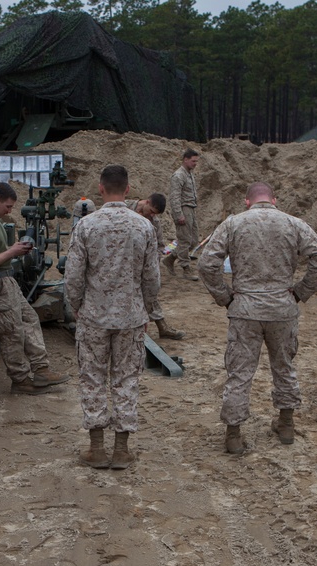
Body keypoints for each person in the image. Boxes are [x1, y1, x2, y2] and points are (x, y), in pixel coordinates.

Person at [198, 182, 317, 455]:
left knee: (239, 373)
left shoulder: (233, 223)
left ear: (247, 202)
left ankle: (233, 435)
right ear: (274, 200)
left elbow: (207, 263)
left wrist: (225, 296)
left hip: (245, 309)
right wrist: (302, 291)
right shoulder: (294, 224)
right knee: (284, 367)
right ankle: (286, 425)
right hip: (282, 308)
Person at [65, 165, 160, 470]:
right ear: (129, 189)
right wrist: (146, 308)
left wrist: (77, 306)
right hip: (130, 317)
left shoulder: (86, 225)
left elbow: (73, 275)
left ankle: (96, 448)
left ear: (100, 188)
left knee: (92, 378)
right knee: (126, 379)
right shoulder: (145, 227)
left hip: (93, 315)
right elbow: (152, 277)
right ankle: (121, 449)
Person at [0, 182, 70, 393]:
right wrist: (12, 253)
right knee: (11, 332)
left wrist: (14, 249)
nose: (10, 211)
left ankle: (41, 369)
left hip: (8, 281)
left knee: (30, 319)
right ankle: (20, 380)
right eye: (8, 207)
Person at [126, 194, 185, 340]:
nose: (152, 215)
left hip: (141, 264)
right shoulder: (125, 207)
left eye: (155, 214)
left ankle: (162, 327)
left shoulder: (154, 223)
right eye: (151, 211)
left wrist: (152, 262)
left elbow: (159, 246)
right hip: (121, 261)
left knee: (149, 293)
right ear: (146, 202)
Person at [165, 148, 201, 281]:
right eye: (193, 161)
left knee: (193, 240)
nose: (195, 164)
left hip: (191, 208)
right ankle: (186, 269)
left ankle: (171, 258)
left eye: (196, 161)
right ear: (185, 159)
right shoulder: (178, 175)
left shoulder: (189, 174)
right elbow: (174, 197)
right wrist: (179, 214)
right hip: (183, 209)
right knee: (185, 240)